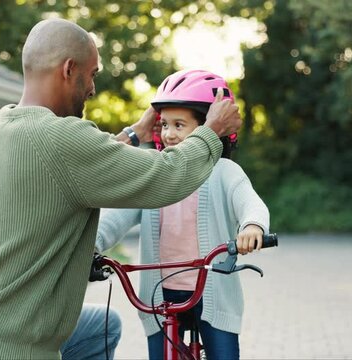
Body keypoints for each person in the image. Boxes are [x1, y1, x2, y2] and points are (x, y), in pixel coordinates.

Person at [0, 19, 243, 359]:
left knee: (103, 325)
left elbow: (66, 168)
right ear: (69, 69)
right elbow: (166, 175)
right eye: (93, 74)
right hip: (14, 349)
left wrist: (133, 135)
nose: (93, 88)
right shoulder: (62, 138)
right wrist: (211, 130)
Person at [95, 69, 270, 360]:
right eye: (164, 125)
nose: (169, 133)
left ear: (208, 129)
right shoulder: (155, 172)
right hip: (160, 293)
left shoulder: (223, 172)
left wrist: (252, 227)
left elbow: (250, 203)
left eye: (179, 124)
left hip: (211, 291)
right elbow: (117, 215)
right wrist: (93, 243)